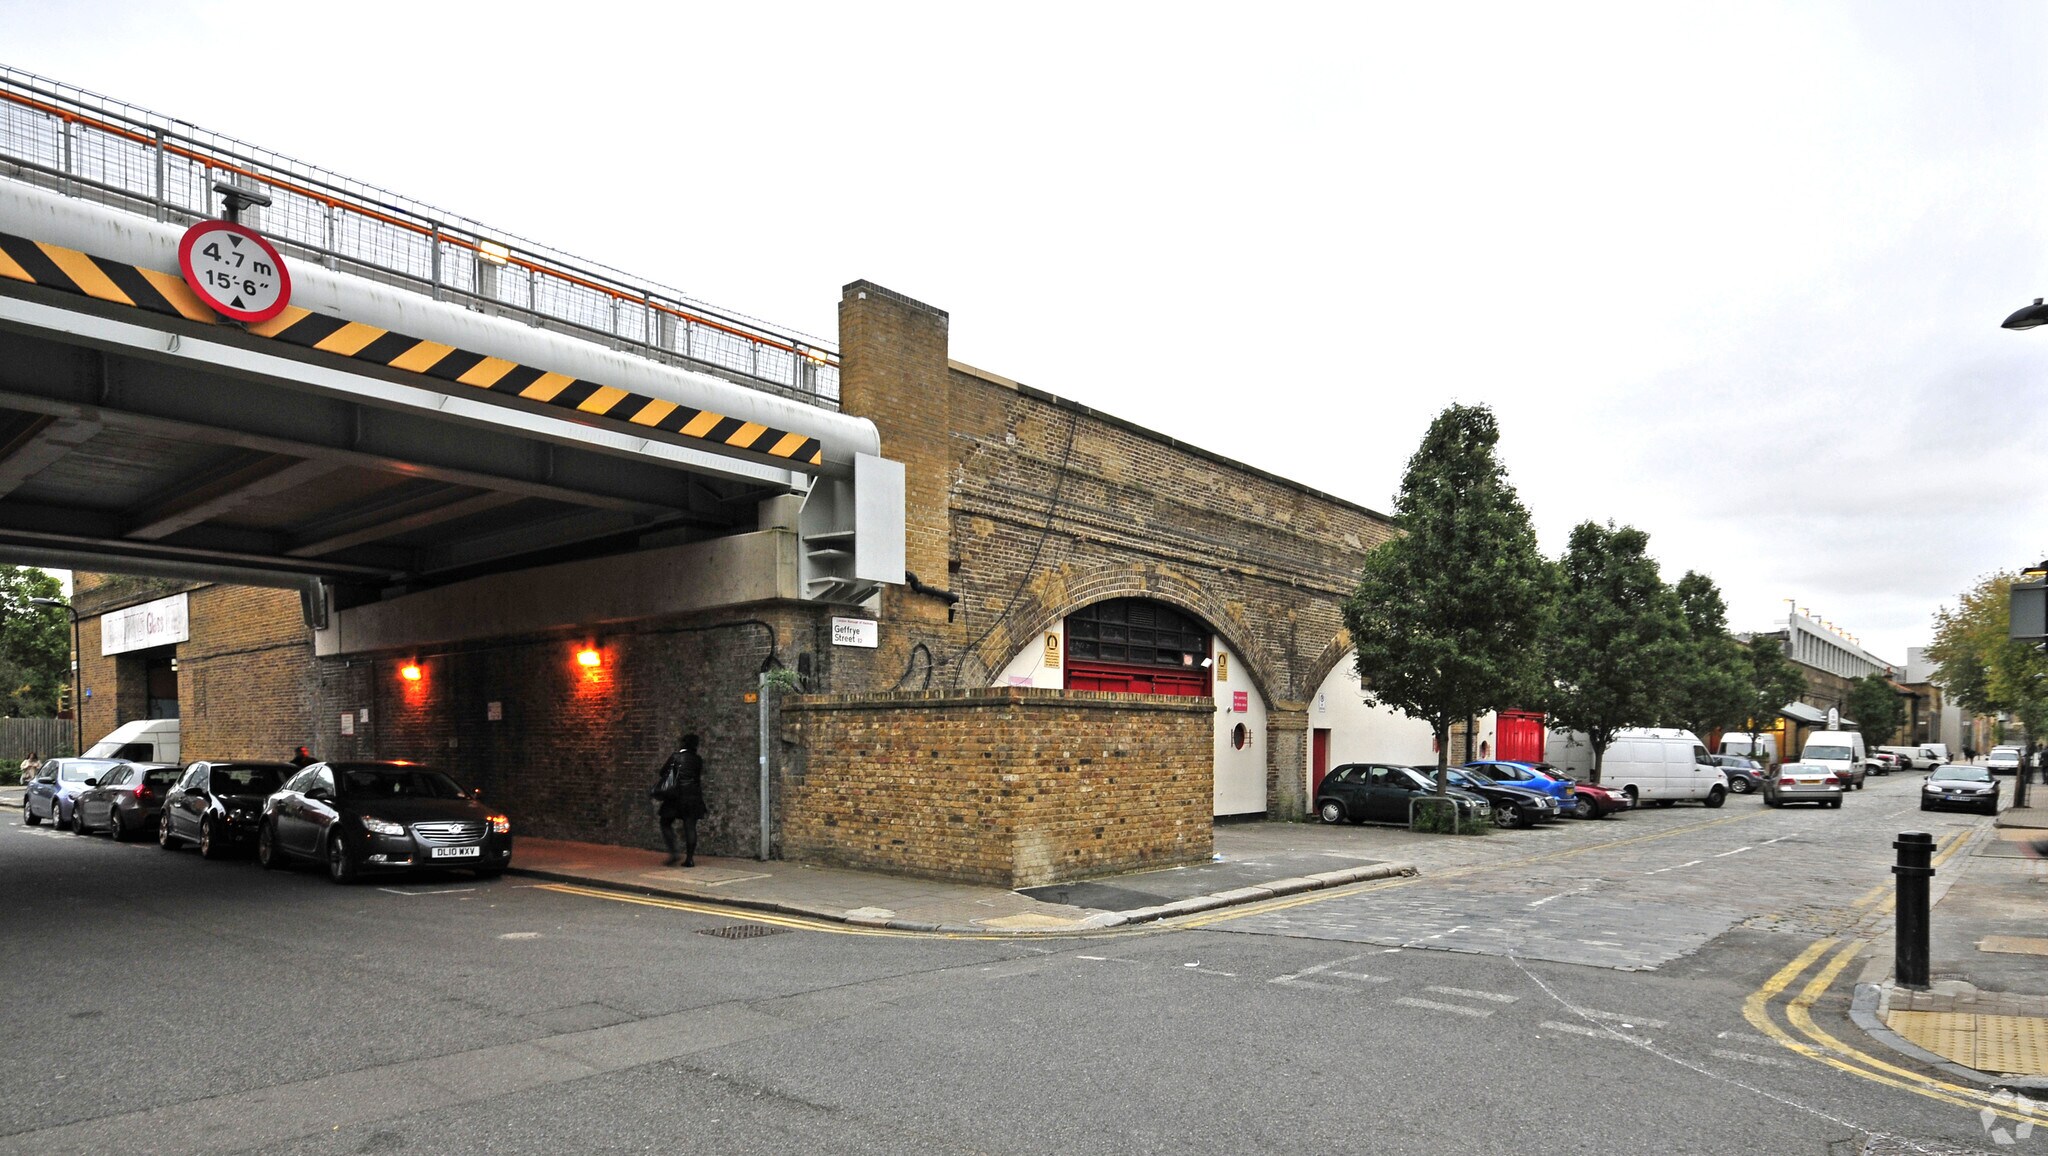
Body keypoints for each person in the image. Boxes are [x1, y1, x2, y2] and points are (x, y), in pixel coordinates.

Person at [650, 733, 706, 868]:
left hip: (675, 797)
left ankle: (674, 852)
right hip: (692, 797)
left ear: (683, 743)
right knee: (690, 826)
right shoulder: (698, 759)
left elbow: (663, 772)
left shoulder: (676, 757)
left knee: (665, 822)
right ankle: (690, 859)